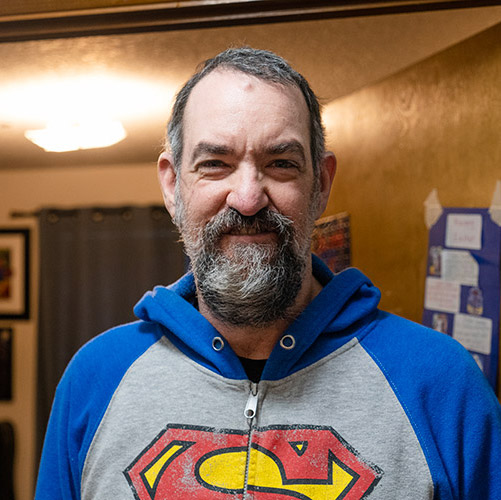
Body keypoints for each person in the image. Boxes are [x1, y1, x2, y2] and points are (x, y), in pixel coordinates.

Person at [35, 47, 501, 500]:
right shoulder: (95, 379)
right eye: (215, 163)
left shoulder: (443, 384)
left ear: (321, 184)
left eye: (281, 163)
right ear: (173, 185)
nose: (247, 198)